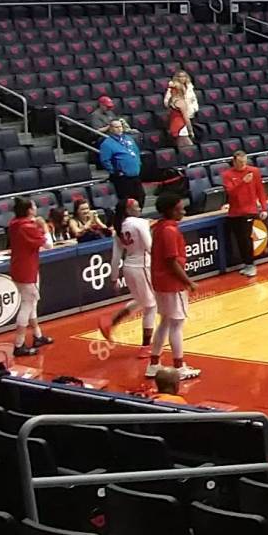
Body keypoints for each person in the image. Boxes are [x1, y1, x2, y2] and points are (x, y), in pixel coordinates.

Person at [147, 192, 197, 384]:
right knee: (176, 324)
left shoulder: (159, 227)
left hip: (160, 281)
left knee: (165, 321)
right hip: (171, 283)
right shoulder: (169, 231)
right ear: (170, 210)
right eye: (179, 209)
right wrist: (188, 281)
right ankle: (179, 367)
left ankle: (154, 363)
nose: (183, 211)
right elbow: (172, 261)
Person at [100, 195, 156, 354]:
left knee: (142, 300)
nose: (139, 209)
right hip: (142, 266)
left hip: (129, 267)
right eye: (136, 207)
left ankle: (111, 322)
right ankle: (145, 347)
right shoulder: (140, 223)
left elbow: (116, 257)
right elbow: (149, 247)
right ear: (128, 210)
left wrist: (114, 277)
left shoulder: (118, 227)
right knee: (151, 306)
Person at [6, 195, 51, 358]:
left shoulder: (14, 224)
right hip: (26, 270)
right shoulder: (28, 227)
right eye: (33, 206)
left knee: (31, 303)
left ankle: (38, 336)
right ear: (29, 210)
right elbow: (49, 245)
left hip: (20, 267)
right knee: (26, 305)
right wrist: (43, 226)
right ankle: (19, 344)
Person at [221, 149, 267, 278]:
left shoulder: (254, 171)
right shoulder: (227, 175)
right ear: (234, 161)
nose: (243, 165)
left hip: (249, 210)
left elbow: (260, 191)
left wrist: (264, 208)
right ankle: (246, 264)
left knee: (246, 238)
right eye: (240, 162)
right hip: (234, 212)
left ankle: (251, 264)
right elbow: (231, 193)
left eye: (244, 162)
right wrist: (243, 182)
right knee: (240, 239)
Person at [97, 117, 144, 209]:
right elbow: (105, 160)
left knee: (141, 196)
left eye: (120, 127)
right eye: (116, 127)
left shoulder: (129, 139)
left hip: (135, 174)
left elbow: (136, 152)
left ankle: (136, 214)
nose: (119, 129)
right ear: (111, 129)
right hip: (122, 177)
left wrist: (138, 163)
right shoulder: (107, 144)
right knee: (126, 200)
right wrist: (115, 171)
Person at [163, 70, 200, 154]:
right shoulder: (181, 102)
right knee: (189, 151)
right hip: (181, 127)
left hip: (175, 125)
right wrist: (191, 131)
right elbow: (186, 119)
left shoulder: (172, 101)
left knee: (184, 149)